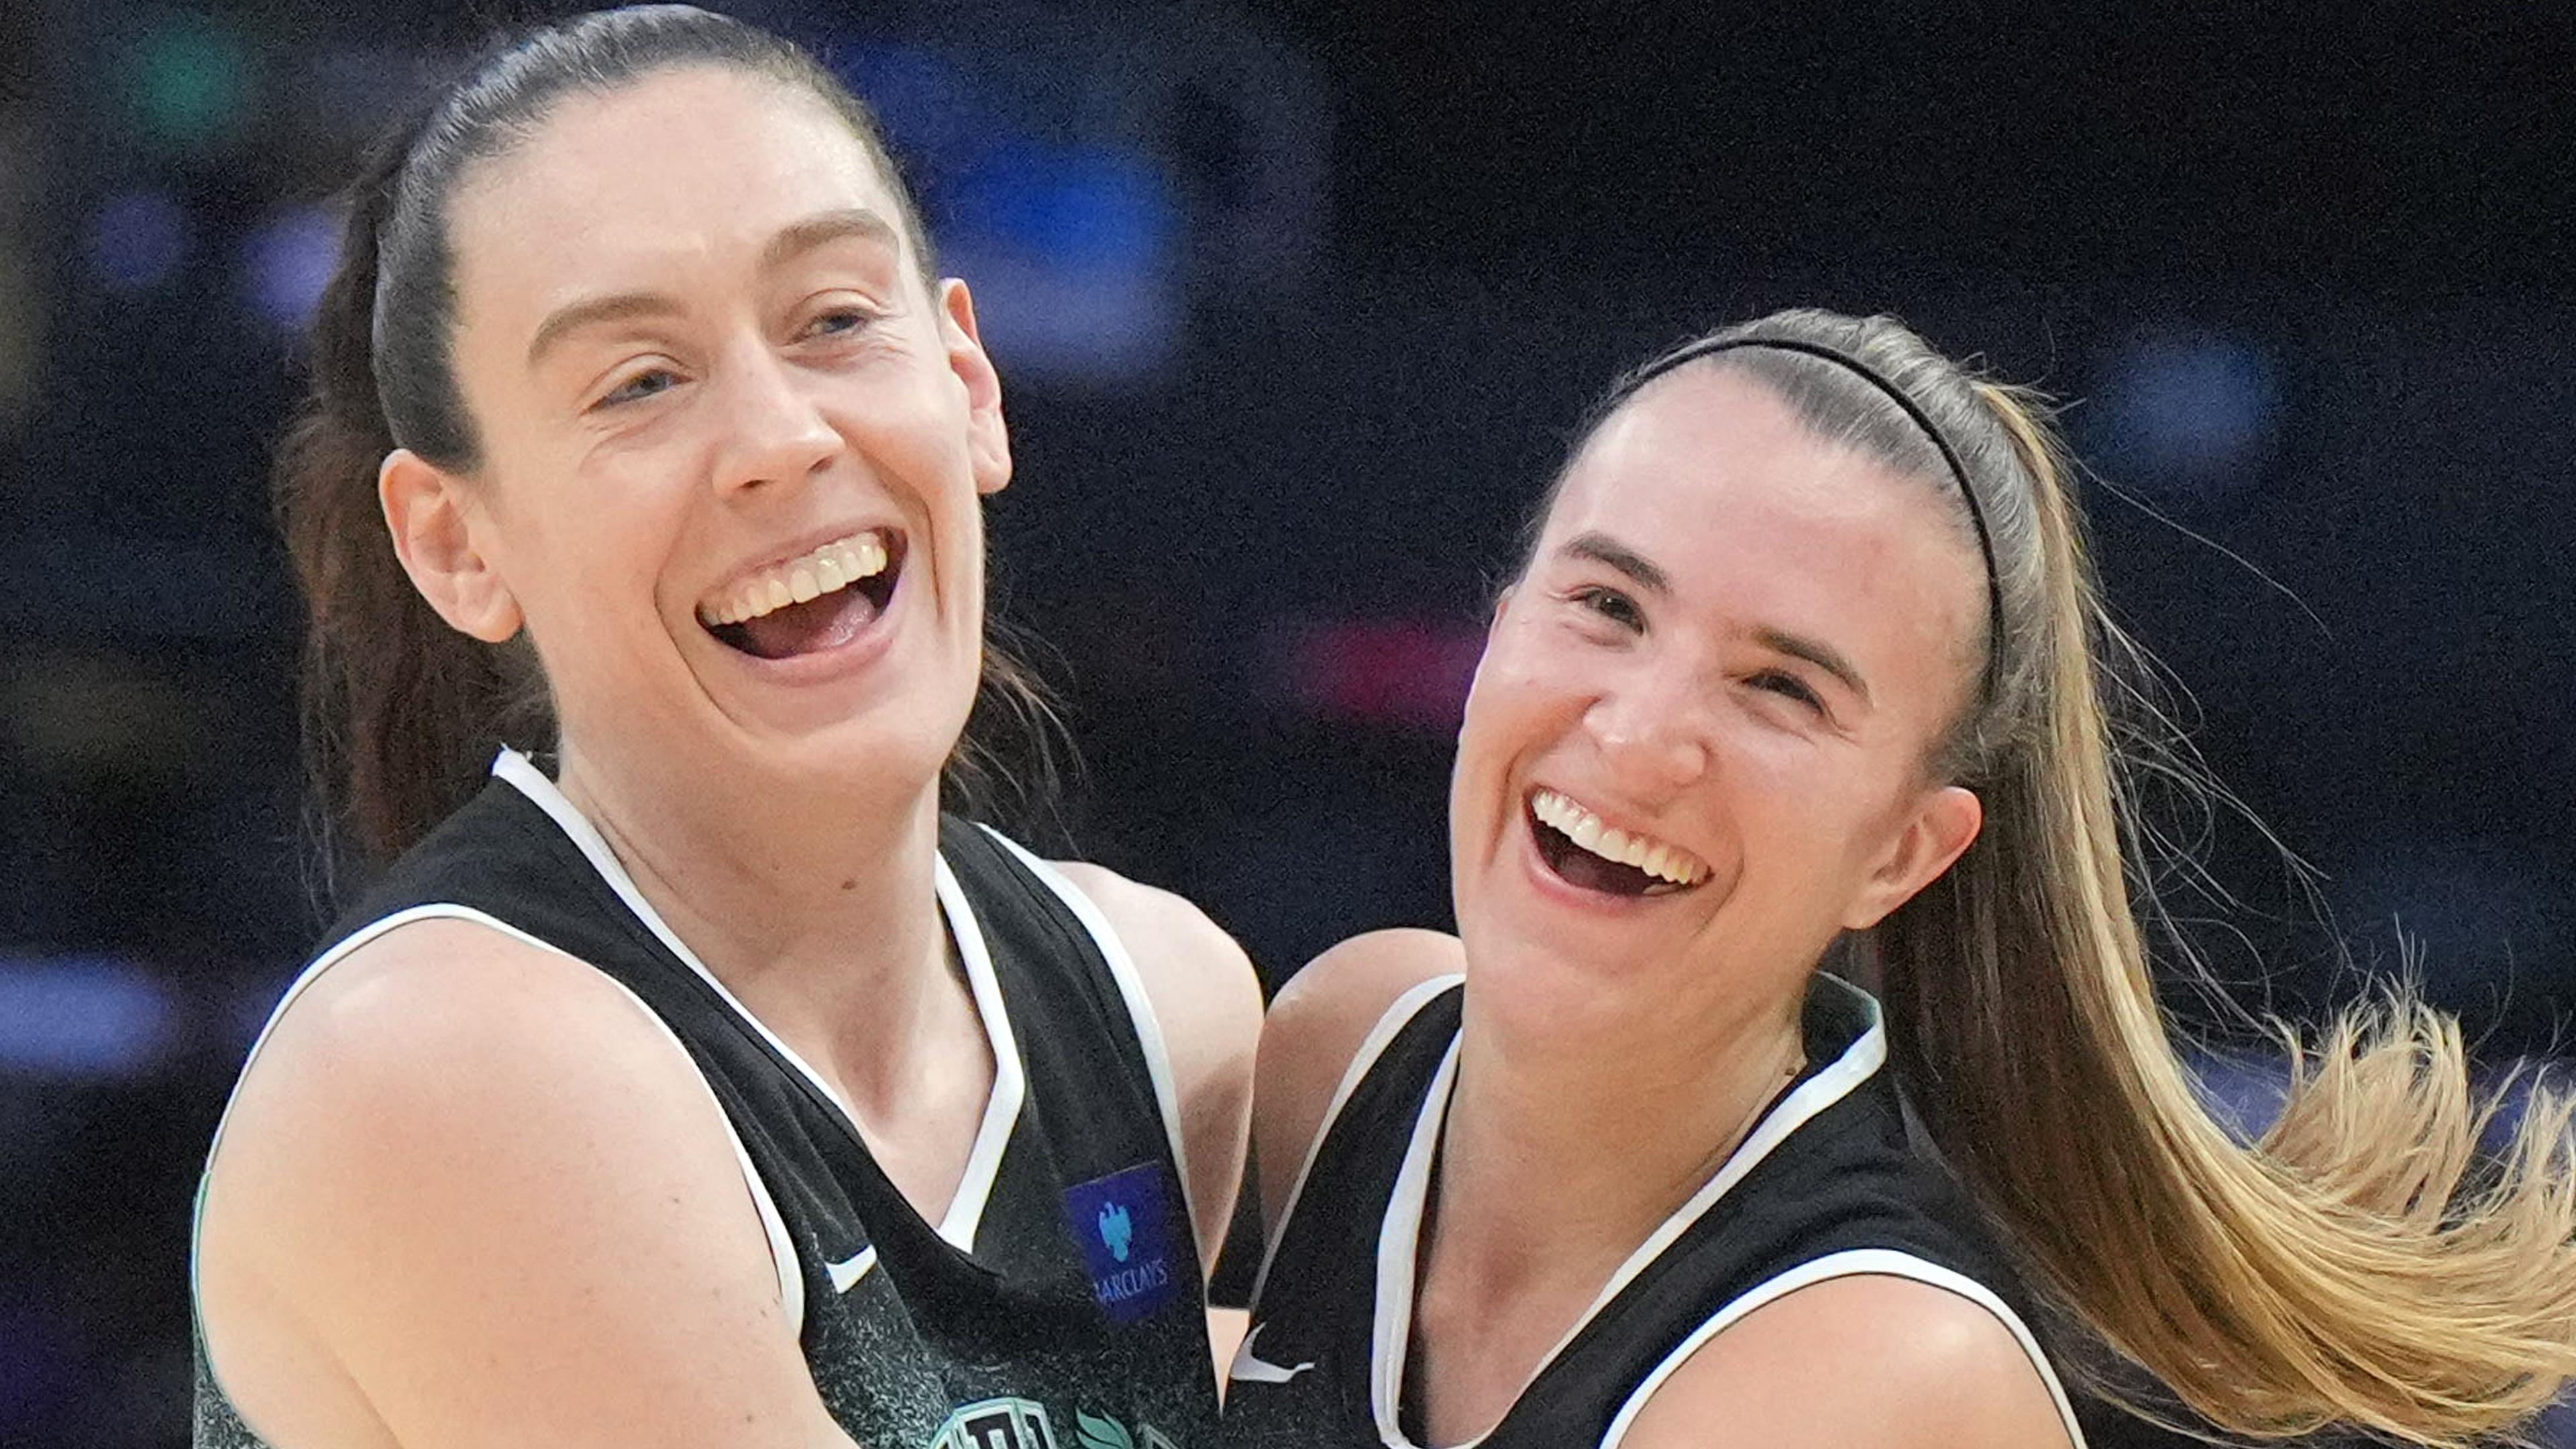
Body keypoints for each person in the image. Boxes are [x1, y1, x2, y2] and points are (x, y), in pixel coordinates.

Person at [188, 9, 1263, 1448]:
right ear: (453, 543)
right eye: (640, 382)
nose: (781, 440)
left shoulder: (1166, 1015)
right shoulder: (442, 1071)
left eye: (833, 320)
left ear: (968, 384)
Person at [1222, 309, 2576, 1449]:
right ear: (1505, 624)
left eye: (1779, 687)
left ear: (1903, 853)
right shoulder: (1342, 1050)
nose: (1637, 735)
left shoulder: (1884, 1376)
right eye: (1609, 607)